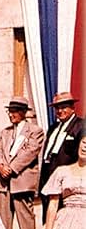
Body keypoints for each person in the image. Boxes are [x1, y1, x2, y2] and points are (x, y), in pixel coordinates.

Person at [0, 97, 45, 229]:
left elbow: (30, 152)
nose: (11, 114)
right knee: (4, 221)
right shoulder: (6, 132)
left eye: (15, 111)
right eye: (10, 111)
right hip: (4, 183)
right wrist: (0, 165)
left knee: (26, 219)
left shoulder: (35, 131)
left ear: (23, 112)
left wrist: (12, 168)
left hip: (21, 181)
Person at [40, 91, 83, 219]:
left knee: (63, 217)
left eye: (63, 107)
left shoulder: (80, 125)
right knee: (48, 215)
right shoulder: (53, 128)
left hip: (67, 179)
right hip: (48, 177)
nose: (60, 111)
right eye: (57, 108)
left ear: (72, 107)